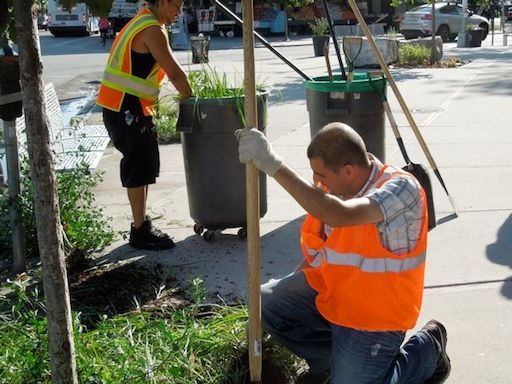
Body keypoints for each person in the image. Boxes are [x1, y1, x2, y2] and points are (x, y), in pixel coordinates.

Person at [236, 122, 451, 384]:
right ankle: (330, 365)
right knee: (265, 303)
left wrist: (273, 165)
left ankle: (427, 349)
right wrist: (273, 307)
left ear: (348, 171)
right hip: (335, 299)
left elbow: (339, 215)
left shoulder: (400, 190)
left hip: (375, 320)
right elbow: (319, 255)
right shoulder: (335, 191)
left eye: (321, 175)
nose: (316, 182)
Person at [96, 0, 192, 250]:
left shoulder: (142, 20)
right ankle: (139, 230)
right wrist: (192, 99)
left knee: (142, 166)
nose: (178, 12)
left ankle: (142, 223)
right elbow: (175, 73)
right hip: (127, 109)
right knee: (138, 168)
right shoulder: (152, 29)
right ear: (162, 2)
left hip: (124, 107)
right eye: (176, 5)